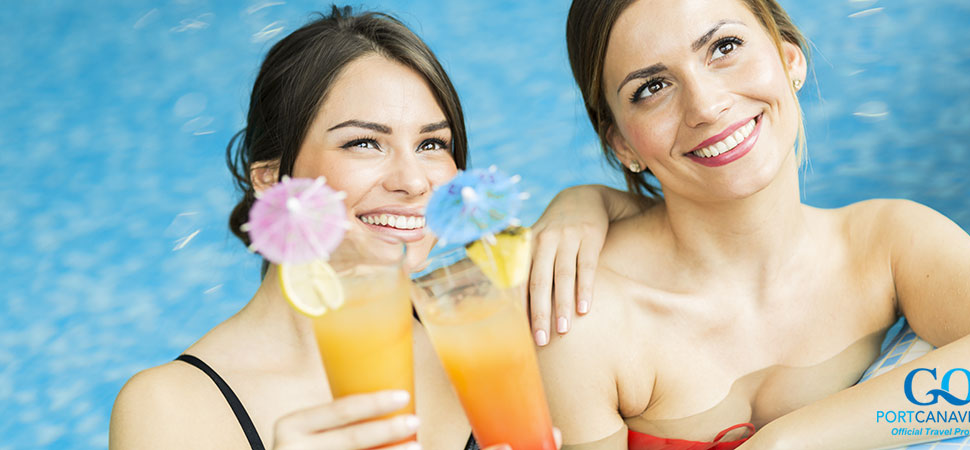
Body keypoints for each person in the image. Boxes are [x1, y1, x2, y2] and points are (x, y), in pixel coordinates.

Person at [109, 6, 631, 449]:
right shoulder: (173, 409)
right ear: (272, 181)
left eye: (432, 145)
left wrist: (585, 202)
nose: (413, 182)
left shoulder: (486, 337)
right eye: (364, 143)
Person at [537, 0, 970, 448]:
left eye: (724, 47)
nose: (706, 106)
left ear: (790, 60)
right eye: (652, 88)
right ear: (622, 144)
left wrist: (791, 440)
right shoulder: (581, 315)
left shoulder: (882, 246)